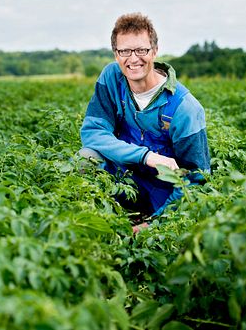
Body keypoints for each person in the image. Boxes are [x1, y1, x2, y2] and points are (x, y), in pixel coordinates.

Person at [79, 12, 210, 229]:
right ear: (115, 54)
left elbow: (196, 181)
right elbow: (92, 133)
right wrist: (145, 156)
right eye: (125, 51)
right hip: (124, 180)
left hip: (163, 198)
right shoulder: (111, 78)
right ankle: (95, 221)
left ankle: (146, 219)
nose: (133, 59)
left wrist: (152, 226)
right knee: (86, 158)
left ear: (155, 51)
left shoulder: (185, 108)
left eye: (141, 50)